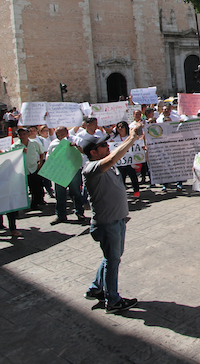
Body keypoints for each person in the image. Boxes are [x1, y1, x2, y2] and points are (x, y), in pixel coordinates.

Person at [81, 126, 142, 314]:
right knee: (112, 260)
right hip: (108, 223)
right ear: (93, 152)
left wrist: (132, 137)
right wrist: (132, 138)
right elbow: (113, 157)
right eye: (102, 145)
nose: (107, 146)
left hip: (116, 220)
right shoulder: (92, 168)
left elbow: (115, 154)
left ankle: (96, 288)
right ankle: (113, 300)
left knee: (110, 258)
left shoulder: (104, 162)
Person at [48, 127, 88, 225]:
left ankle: (79, 213)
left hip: (73, 170)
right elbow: (49, 156)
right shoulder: (53, 143)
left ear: (67, 133)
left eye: (61, 134)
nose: (59, 137)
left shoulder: (76, 140)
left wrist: (77, 148)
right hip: (59, 172)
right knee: (60, 194)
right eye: (57, 135)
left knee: (76, 193)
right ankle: (61, 215)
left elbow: (84, 152)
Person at [13, 128, 46, 209]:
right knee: (21, 190)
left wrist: (40, 163)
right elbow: (12, 158)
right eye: (20, 134)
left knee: (36, 188)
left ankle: (35, 204)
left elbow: (42, 152)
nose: (22, 136)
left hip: (33, 168)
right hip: (22, 170)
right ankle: (21, 206)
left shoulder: (34, 143)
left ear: (28, 134)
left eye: (24, 134)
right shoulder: (15, 146)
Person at [112, 121, 141, 197]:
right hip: (120, 162)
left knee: (133, 176)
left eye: (122, 126)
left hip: (130, 161)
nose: (120, 128)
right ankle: (122, 193)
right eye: (118, 127)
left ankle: (136, 191)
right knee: (121, 178)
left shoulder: (131, 136)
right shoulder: (114, 138)